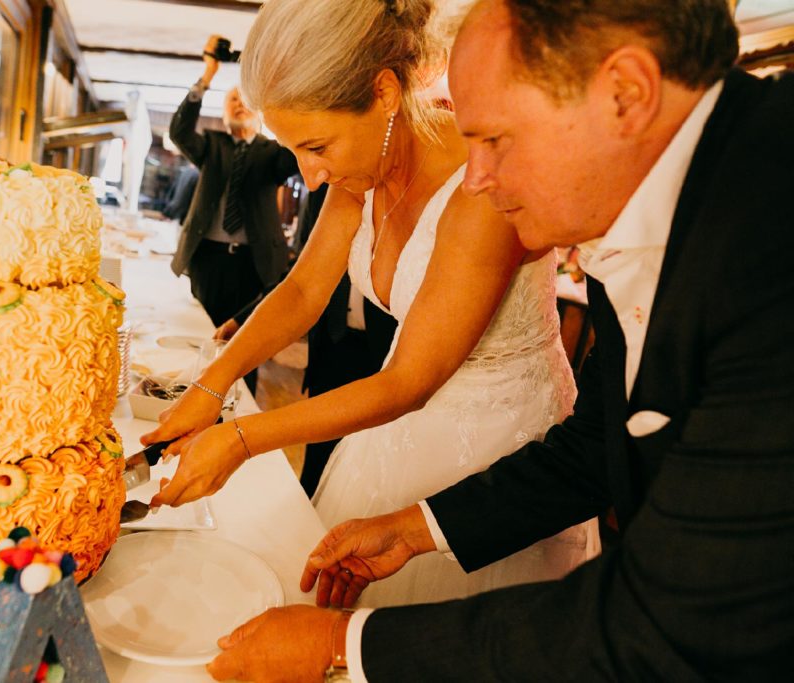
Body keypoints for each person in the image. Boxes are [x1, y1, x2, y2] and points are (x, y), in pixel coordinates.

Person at [205, 1, 794, 681]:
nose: (476, 179)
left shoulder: (768, 240)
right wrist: (422, 526)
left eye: (496, 140)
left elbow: (678, 617)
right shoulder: (631, 211)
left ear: (625, 94)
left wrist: (347, 644)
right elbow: (596, 445)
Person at [143, 0, 596, 606]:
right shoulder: (368, 165)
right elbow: (304, 290)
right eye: (295, 150)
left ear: (383, 93)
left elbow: (410, 381)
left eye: (317, 146)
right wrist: (211, 383)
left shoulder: (479, 185)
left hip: (497, 441)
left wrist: (245, 438)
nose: (311, 174)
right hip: (396, 426)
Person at [216, 185, 399, 497]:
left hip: (389, 352)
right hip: (332, 343)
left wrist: (242, 438)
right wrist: (241, 320)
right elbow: (300, 279)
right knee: (317, 460)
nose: (312, 178)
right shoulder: (331, 189)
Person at [169, 34, 300, 331]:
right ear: (224, 112)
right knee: (200, 334)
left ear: (261, 110)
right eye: (232, 100)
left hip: (255, 263)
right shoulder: (212, 146)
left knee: (244, 341)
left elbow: (296, 155)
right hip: (207, 260)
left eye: (245, 100)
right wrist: (208, 75)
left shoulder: (275, 152)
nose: (239, 104)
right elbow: (179, 131)